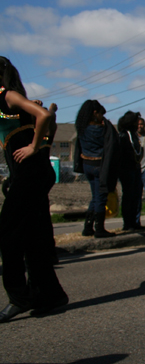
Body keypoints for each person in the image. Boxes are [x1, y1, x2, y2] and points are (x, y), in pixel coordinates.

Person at [0, 57, 68, 322]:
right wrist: (44, 145)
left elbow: (46, 116)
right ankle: (50, 295)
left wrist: (34, 147)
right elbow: (49, 119)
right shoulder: (11, 103)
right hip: (31, 173)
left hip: (31, 173)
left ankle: (20, 297)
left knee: (6, 233)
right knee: (34, 237)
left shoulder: (9, 96)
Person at [75, 99, 118, 238]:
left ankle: (88, 227)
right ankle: (99, 229)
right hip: (100, 166)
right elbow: (112, 143)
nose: (102, 117)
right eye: (100, 114)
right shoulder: (102, 128)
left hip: (87, 165)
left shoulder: (81, 127)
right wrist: (107, 124)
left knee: (95, 196)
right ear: (95, 113)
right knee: (101, 197)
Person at [117, 111, 143, 231]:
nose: (138, 124)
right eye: (135, 121)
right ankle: (127, 223)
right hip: (127, 169)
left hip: (135, 168)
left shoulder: (134, 135)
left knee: (136, 196)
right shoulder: (123, 135)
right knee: (128, 196)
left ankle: (134, 221)